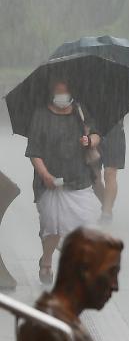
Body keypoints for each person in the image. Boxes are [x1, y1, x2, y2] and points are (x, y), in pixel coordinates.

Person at [25, 79, 101, 284]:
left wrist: (89, 140)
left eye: (65, 91)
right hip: (49, 181)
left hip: (78, 178)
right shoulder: (40, 115)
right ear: (51, 92)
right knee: (52, 226)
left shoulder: (80, 111)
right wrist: (45, 175)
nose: (62, 96)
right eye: (58, 91)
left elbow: (96, 134)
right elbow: (34, 151)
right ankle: (47, 261)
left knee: (84, 223)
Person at [93, 118, 126, 224]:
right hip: (92, 130)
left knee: (110, 173)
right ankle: (106, 206)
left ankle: (106, 213)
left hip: (114, 130)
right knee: (93, 177)